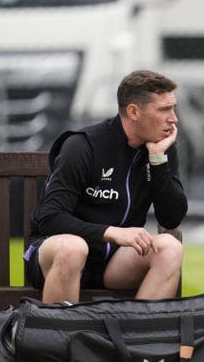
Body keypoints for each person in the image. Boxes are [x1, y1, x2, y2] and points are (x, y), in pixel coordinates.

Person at [24, 70, 188, 304]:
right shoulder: (82, 146)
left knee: (169, 248)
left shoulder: (160, 148)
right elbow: (50, 218)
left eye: (173, 108)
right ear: (133, 112)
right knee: (73, 248)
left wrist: (158, 158)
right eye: (164, 109)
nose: (174, 118)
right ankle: (60, 339)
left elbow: (171, 218)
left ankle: (135, 338)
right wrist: (112, 232)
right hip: (57, 256)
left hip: (113, 262)